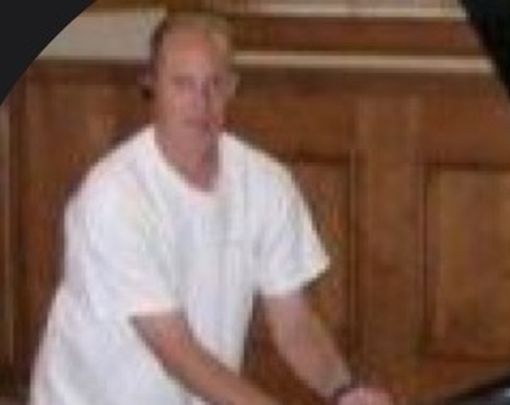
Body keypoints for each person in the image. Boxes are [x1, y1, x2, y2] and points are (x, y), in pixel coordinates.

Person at [29, 12, 393, 405]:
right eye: (183, 84)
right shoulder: (114, 196)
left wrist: (344, 390)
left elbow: (294, 325)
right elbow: (177, 352)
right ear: (151, 86)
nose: (200, 103)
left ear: (232, 88)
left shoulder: (266, 183)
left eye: (214, 84)